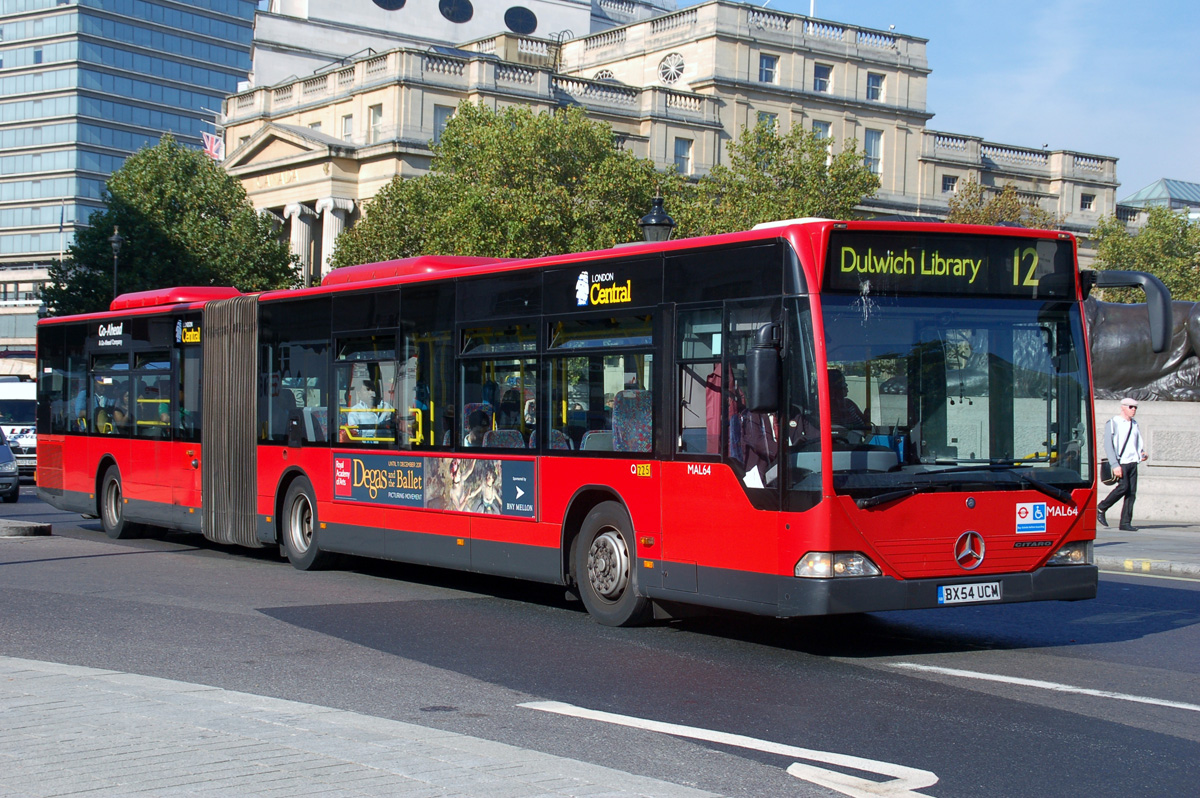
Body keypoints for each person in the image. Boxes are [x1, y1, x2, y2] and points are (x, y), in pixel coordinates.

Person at [1098, 397, 1148, 531]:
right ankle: (1102, 507)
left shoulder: (1134, 424)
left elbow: (1136, 442)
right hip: (1121, 462)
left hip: (1133, 462)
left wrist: (1141, 453)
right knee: (1123, 487)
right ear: (1123, 407)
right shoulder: (1114, 422)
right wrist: (1115, 465)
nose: (1134, 410)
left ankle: (1125, 522)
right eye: (1131, 407)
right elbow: (1108, 445)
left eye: (1135, 407)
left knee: (1131, 493)